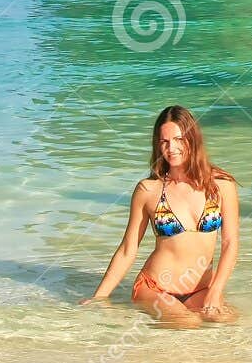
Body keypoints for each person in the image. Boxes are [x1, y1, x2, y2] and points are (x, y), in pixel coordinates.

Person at [84, 105, 240, 323]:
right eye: (164, 141)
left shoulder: (221, 185)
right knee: (187, 323)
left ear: (193, 139)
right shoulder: (149, 190)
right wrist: (99, 298)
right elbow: (128, 249)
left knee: (227, 322)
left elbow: (230, 243)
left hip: (201, 289)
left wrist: (215, 291)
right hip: (155, 288)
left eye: (178, 139)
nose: (171, 148)